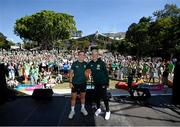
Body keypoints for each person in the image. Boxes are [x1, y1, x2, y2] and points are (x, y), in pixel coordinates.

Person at [87, 49, 110, 120]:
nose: (94, 56)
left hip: (103, 82)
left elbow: (106, 73)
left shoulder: (101, 63)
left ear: (97, 55)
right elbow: (86, 71)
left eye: (95, 54)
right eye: (92, 54)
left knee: (104, 97)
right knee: (97, 96)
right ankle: (99, 108)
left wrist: (107, 82)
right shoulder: (90, 63)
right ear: (91, 55)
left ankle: (108, 111)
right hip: (96, 83)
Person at [68, 51, 88, 119]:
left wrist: (87, 77)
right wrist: (70, 82)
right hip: (75, 83)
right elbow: (71, 73)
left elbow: (87, 73)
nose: (82, 56)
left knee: (83, 97)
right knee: (73, 98)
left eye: (83, 55)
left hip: (83, 83)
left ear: (84, 56)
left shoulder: (86, 63)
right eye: (80, 55)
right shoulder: (74, 63)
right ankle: (72, 111)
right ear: (78, 55)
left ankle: (82, 108)